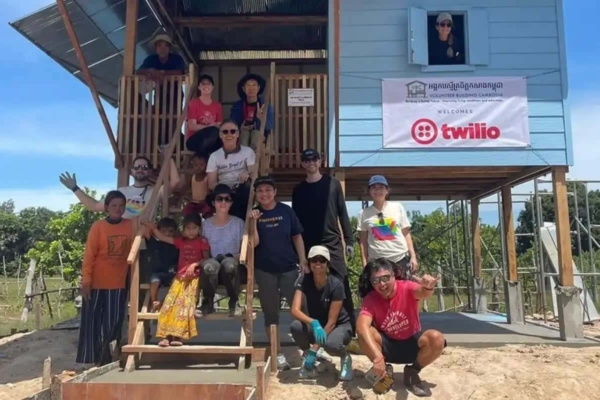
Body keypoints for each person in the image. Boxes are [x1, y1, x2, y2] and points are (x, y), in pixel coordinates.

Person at [357, 258, 446, 397]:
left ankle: (412, 372)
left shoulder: (406, 287)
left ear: (394, 275)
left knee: (437, 338)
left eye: (386, 278)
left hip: (412, 342)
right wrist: (377, 357)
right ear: (371, 282)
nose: (382, 284)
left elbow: (423, 292)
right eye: (376, 280)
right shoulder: (371, 299)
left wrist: (428, 287)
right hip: (386, 347)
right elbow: (361, 326)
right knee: (365, 333)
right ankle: (384, 372)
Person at [291, 148, 356, 335]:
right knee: (309, 284)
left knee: (342, 280)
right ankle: (315, 328)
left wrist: (349, 240)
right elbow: (296, 224)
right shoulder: (298, 190)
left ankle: (349, 329)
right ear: (302, 163)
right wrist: (299, 254)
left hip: (331, 241)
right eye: (306, 160)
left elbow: (342, 212)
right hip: (309, 242)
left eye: (314, 159)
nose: (310, 163)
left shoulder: (333, 183)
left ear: (320, 162)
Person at [249, 175, 307, 370]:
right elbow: (253, 243)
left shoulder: (286, 211)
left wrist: (303, 260)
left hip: (289, 268)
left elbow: (297, 236)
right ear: (256, 195)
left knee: (300, 310)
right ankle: (277, 352)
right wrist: (254, 223)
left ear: (274, 192)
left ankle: (309, 350)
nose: (264, 194)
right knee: (271, 314)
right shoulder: (254, 214)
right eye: (260, 191)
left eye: (268, 190)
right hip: (265, 271)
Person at [76, 191, 134, 366]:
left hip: (118, 284)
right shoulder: (98, 227)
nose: (118, 208)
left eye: (121, 205)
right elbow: (89, 256)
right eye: (114, 205)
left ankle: (107, 356)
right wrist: (86, 281)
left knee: (113, 322)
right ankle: (92, 359)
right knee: (92, 322)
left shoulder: (131, 225)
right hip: (96, 283)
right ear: (107, 207)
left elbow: (144, 235)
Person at [143, 214, 210, 347]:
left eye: (194, 228)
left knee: (184, 305)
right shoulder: (180, 241)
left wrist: (194, 265)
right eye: (188, 228)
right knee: (169, 304)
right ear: (183, 230)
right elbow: (162, 237)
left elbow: (206, 258)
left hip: (193, 278)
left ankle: (178, 337)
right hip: (179, 277)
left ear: (199, 229)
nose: (191, 231)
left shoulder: (202, 241)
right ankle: (165, 337)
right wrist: (152, 227)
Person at [290, 246, 353, 380]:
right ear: (309, 263)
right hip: (318, 324)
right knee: (296, 326)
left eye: (322, 260)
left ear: (327, 264)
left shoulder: (336, 285)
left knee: (331, 345)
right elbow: (294, 310)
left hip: (338, 326)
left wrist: (314, 349)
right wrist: (312, 322)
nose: (318, 263)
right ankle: (309, 361)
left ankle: (345, 357)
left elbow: (332, 322)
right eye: (314, 260)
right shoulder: (303, 280)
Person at [59, 155, 181, 220]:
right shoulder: (121, 192)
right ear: (132, 171)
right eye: (137, 167)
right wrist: (74, 188)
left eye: (144, 167)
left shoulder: (155, 191)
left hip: (143, 239)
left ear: (149, 171)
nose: (140, 170)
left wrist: (169, 157)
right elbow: (95, 206)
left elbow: (175, 181)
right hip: (121, 238)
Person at [358, 175, 418, 280]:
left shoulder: (398, 207)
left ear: (387, 190)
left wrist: (413, 256)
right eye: (374, 187)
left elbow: (406, 233)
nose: (377, 190)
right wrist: (364, 264)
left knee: (403, 292)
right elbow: (363, 242)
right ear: (369, 191)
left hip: (400, 259)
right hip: (377, 263)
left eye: (381, 187)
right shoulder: (364, 213)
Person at [198, 184, 245, 318]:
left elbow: (243, 251)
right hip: (213, 264)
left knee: (229, 264)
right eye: (219, 199)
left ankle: (234, 302)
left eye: (227, 199)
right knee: (208, 266)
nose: (223, 202)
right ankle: (207, 303)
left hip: (233, 264)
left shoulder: (239, 223)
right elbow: (203, 248)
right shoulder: (205, 224)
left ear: (231, 203)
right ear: (213, 202)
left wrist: (230, 257)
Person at [206, 120, 256, 220]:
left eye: (233, 131)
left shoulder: (248, 151)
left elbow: (254, 174)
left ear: (237, 134)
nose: (229, 134)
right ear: (220, 135)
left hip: (241, 188)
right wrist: (227, 189)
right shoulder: (214, 156)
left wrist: (248, 174)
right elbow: (211, 184)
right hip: (224, 190)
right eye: (225, 132)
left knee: (245, 190)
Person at [230, 73, 274, 152]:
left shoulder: (265, 105)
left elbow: (269, 127)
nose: (251, 88)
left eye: (254, 85)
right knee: (244, 136)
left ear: (258, 88)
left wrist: (262, 119)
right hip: (241, 133)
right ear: (243, 88)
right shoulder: (237, 106)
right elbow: (231, 124)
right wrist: (240, 128)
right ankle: (245, 160)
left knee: (256, 135)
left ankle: (252, 162)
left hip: (259, 133)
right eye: (248, 85)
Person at [143, 217, 179, 312]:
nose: (167, 234)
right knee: (154, 281)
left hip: (173, 274)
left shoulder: (177, 244)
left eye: (171, 231)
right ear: (158, 231)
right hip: (158, 274)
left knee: (177, 285)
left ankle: (162, 303)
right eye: (164, 231)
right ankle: (154, 302)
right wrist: (148, 223)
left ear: (175, 232)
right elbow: (144, 230)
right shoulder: (155, 243)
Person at [185, 74, 223, 155]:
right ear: (199, 87)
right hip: (194, 140)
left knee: (223, 136)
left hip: (212, 139)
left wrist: (213, 127)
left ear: (213, 87)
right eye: (203, 83)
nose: (206, 85)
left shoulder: (217, 106)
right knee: (213, 131)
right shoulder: (193, 104)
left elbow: (219, 125)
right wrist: (209, 126)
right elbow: (192, 126)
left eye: (208, 83)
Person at [182, 153, 213, 218]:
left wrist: (205, 200)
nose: (198, 167)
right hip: (194, 202)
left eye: (201, 165)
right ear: (192, 165)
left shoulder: (207, 178)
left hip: (204, 202)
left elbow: (209, 192)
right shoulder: (192, 177)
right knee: (187, 210)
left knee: (208, 209)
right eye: (195, 165)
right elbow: (188, 188)